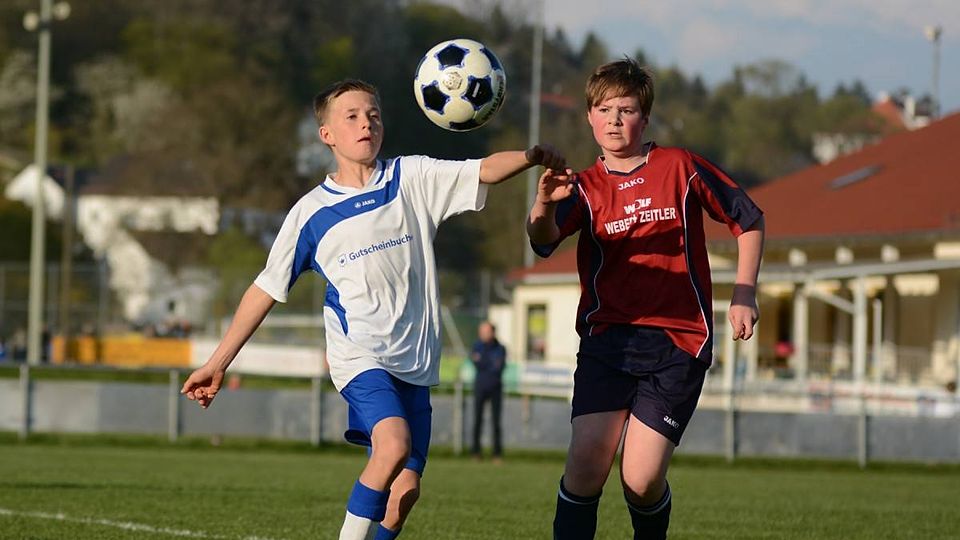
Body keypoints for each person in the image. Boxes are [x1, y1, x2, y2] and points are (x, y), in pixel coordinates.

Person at [180, 78, 565, 540]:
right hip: (360, 355)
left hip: (415, 361)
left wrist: (530, 157)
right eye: (352, 116)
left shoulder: (411, 177)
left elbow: (483, 170)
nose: (366, 123)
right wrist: (217, 363)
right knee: (392, 446)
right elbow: (265, 289)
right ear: (327, 135)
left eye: (373, 115)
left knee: (403, 496)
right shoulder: (310, 214)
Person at [526, 58, 764, 539]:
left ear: (645, 117)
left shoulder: (680, 166)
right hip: (608, 343)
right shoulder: (583, 187)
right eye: (604, 109)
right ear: (589, 117)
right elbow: (542, 240)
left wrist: (744, 292)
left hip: (677, 342)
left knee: (640, 479)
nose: (614, 119)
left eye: (626, 109)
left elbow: (748, 218)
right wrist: (544, 202)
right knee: (586, 462)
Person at [469, 321, 507, 461]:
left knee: (496, 422)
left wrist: (483, 361)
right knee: (477, 420)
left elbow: (498, 366)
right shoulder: (476, 346)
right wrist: (487, 362)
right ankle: (476, 452)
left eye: (486, 332)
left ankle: (496, 454)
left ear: (492, 332)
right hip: (480, 386)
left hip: (495, 387)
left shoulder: (500, 348)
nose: (483, 334)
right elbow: (477, 363)